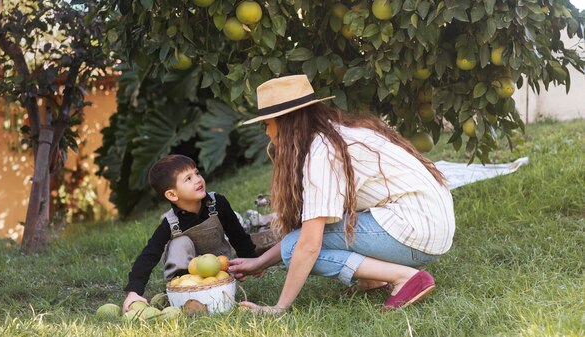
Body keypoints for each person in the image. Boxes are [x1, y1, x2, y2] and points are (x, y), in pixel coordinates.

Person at [229, 74, 455, 313]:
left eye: (267, 123)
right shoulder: (335, 134)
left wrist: (279, 307)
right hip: (428, 223)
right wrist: (259, 262)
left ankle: (406, 277)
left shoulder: (321, 153)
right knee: (301, 240)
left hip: (416, 228)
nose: (266, 132)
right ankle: (374, 278)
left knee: (293, 248)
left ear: (283, 121)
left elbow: (308, 244)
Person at [122, 154, 258, 312]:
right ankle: (182, 296)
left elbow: (237, 235)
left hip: (218, 272)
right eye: (188, 179)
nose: (198, 179)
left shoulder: (217, 203)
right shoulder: (171, 223)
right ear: (172, 194)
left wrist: (252, 261)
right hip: (186, 280)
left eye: (197, 173)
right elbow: (148, 256)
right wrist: (133, 292)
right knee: (180, 242)